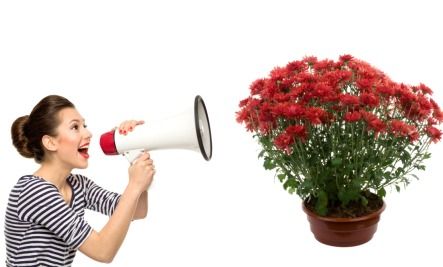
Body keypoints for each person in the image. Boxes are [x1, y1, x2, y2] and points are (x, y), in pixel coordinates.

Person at [4, 95, 155, 266]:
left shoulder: (78, 185)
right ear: (50, 142)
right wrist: (134, 185)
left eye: (84, 125)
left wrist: (136, 153)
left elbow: (137, 211)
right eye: (75, 127)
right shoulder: (34, 191)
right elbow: (103, 251)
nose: (88, 133)